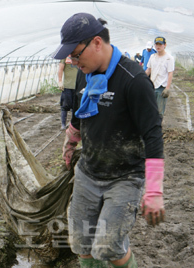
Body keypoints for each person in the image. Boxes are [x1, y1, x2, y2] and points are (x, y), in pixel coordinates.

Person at [52, 13, 165, 268]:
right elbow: (80, 114)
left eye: (76, 54)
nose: (72, 61)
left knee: (110, 248)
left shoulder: (134, 80)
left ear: (96, 43)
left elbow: (153, 135)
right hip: (88, 174)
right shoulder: (85, 72)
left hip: (124, 179)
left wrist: (155, 189)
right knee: (81, 244)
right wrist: (71, 141)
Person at [146, 36, 175, 120]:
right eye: (156, 44)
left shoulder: (169, 58)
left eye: (160, 44)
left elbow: (170, 73)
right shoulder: (152, 57)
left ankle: (158, 129)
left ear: (165, 45)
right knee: (150, 108)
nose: (158, 46)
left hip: (161, 87)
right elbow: (148, 70)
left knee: (159, 111)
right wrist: (141, 79)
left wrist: (167, 88)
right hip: (152, 85)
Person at [57, 56, 78, 130]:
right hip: (67, 86)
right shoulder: (65, 57)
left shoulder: (80, 55)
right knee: (65, 106)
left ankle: (73, 124)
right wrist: (60, 81)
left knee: (75, 106)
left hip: (78, 86)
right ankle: (63, 124)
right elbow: (60, 69)